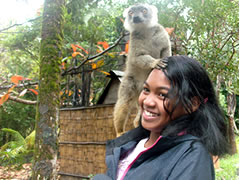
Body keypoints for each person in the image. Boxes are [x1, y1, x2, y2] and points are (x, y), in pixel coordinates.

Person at [93, 55, 229, 180]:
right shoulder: (132, 144)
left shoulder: (192, 155)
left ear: (192, 103)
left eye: (162, 95)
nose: (147, 102)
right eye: (146, 90)